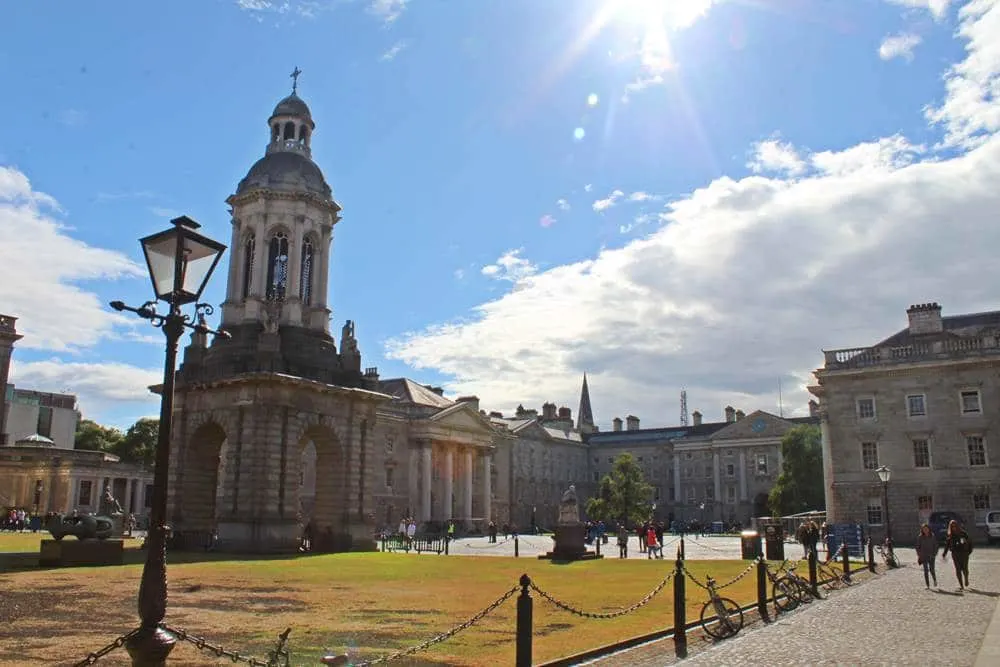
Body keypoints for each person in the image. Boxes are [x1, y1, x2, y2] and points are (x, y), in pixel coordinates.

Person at [942, 519, 973, 590]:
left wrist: (969, 552)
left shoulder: (963, 533)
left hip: (964, 554)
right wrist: (944, 554)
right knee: (958, 569)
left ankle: (966, 578)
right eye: (952, 526)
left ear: (957, 526)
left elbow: (970, 543)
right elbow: (947, 545)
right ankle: (961, 585)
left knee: (965, 569)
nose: (954, 528)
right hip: (955, 554)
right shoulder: (950, 536)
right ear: (950, 527)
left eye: (955, 526)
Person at [915, 523, 938, 588]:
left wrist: (934, 553)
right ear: (922, 530)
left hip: (931, 556)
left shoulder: (932, 536)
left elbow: (936, 545)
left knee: (932, 569)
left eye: (926, 529)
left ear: (929, 529)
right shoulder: (920, 537)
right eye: (924, 529)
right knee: (925, 570)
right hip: (924, 556)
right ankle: (927, 585)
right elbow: (917, 547)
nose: (925, 530)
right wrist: (919, 554)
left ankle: (934, 580)